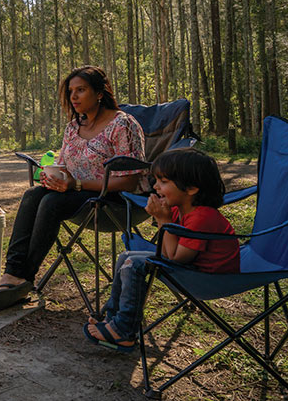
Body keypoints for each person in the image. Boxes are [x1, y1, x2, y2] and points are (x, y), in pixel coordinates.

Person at [0, 65, 147, 312]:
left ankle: (23, 280)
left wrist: (76, 184)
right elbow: (67, 168)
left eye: (81, 90)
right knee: (33, 194)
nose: (73, 97)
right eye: (71, 91)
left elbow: (129, 181)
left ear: (99, 92)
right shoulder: (73, 127)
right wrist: (54, 178)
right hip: (76, 194)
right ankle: (11, 274)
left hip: (114, 201)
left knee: (52, 203)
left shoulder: (122, 124)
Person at [83, 148, 239, 352]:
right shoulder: (180, 209)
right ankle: (113, 319)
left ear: (191, 188)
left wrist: (163, 219)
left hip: (209, 277)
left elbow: (174, 258)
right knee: (126, 256)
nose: (156, 187)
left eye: (163, 181)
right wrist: (165, 218)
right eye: (156, 180)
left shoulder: (202, 217)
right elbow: (167, 252)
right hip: (193, 266)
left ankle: (124, 332)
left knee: (134, 264)